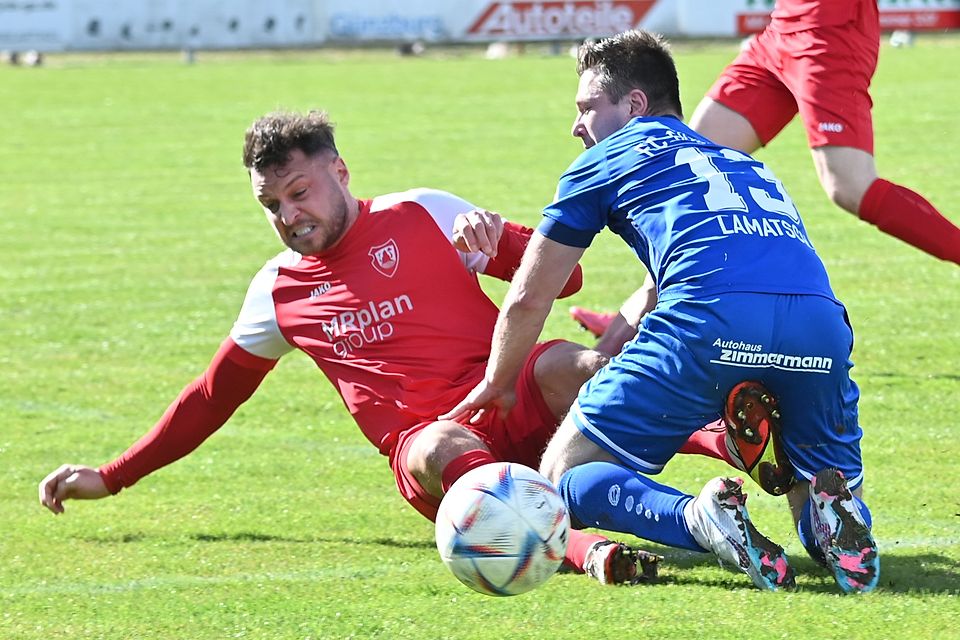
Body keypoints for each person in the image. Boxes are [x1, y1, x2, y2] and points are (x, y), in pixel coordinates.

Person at [37, 110, 661, 586]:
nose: (289, 214)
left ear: (340, 172)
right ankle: (587, 550)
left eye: (299, 192)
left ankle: (729, 437)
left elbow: (567, 279)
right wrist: (111, 477)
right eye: (271, 205)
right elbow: (210, 397)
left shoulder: (423, 212)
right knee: (441, 442)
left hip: (508, 393)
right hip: (436, 451)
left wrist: (502, 239)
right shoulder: (276, 292)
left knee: (576, 366)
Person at [443, 30, 880, 593]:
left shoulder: (605, 159)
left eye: (586, 108)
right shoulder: (741, 163)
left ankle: (697, 518)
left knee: (563, 475)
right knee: (815, 481)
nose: (578, 126)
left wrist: (500, 383)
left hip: (710, 319)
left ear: (635, 104)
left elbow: (532, 294)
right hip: (820, 325)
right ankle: (833, 519)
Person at [571, 0, 960, 352]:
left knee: (849, 185)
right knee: (688, 168)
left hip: (829, 31)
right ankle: (637, 319)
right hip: (782, 30)